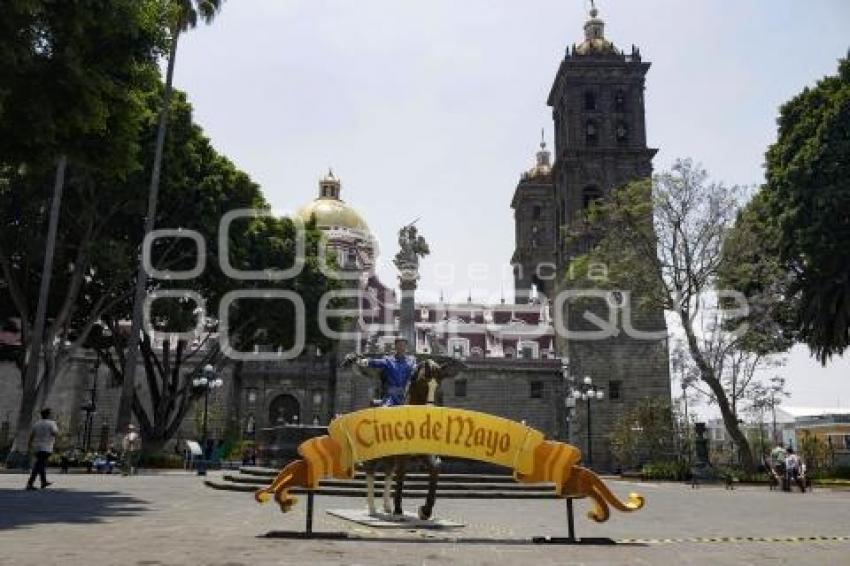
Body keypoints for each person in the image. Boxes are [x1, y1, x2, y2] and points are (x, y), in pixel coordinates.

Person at [357, 337, 417, 407]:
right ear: (395, 346)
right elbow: (376, 362)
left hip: (405, 396)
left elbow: (417, 371)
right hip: (390, 397)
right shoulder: (388, 360)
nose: (401, 347)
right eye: (399, 345)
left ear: (406, 346)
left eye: (403, 345)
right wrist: (364, 361)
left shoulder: (411, 361)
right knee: (384, 410)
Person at [25, 408, 59, 491]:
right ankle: (30, 483)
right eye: (51, 414)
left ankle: (43, 482)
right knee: (39, 465)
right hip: (46, 447)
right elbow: (55, 433)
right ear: (48, 415)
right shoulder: (52, 423)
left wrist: (29, 445)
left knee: (40, 464)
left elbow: (31, 436)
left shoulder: (36, 424)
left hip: (37, 447)